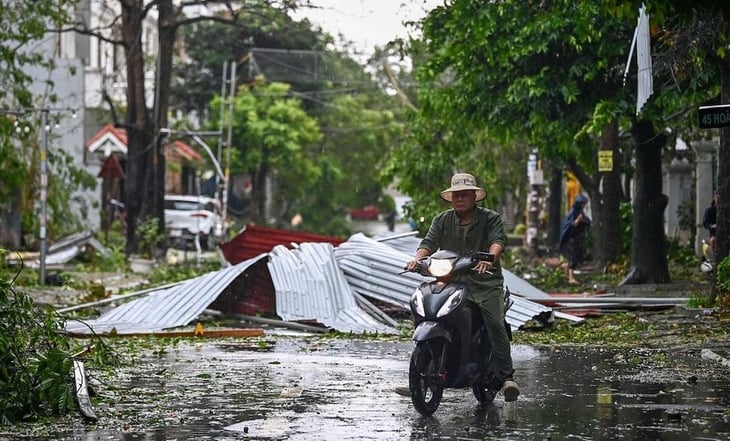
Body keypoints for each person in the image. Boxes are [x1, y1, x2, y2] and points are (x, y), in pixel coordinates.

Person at [404, 172, 520, 402]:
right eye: (456, 195)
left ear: (474, 196)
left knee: (494, 322)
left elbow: (498, 241)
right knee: (428, 311)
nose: (460, 199)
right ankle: (420, 373)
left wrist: (490, 258)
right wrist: (418, 259)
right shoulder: (442, 219)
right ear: (451, 197)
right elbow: (428, 243)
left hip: (485, 283)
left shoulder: (490, 218)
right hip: (452, 281)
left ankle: (507, 376)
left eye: (465, 195)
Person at [558, 193, 591, 285]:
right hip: (571, 239)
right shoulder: (573, 212)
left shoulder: (581, 212)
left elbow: (587, 221)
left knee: (577, 257)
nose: (584, 205)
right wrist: (577, 221)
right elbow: (569, 226)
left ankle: (566, 269)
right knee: (573, 257)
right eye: (583, 203)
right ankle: (571, 277)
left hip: (578, 239)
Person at [703, 191, 719, 257]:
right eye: (717, 197)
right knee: (713, 240)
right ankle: (715, 257)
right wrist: (712, 226)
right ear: (714, 198)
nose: (719, 199)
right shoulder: (709, 211)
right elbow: (705, 223)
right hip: (714, 233)